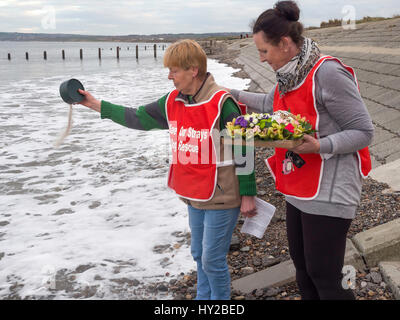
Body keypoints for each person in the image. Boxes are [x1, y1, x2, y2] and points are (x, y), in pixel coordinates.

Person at [75, 39, 257, 300]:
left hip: (223, 194)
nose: (169, 76)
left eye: (174, 70)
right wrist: (96, 105)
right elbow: (137, 117)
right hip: (194, 194)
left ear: (193, 70)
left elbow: (245, 147)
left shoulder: (222, 103)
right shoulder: (173, 101)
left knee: (212, 260)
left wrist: (249, 193)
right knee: (198, 254)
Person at [230, 1, 374, 300]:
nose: (261, 58)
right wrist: (227, 93)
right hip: (300, 184)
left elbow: (364, 131)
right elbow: (269, 104)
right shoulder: (289, 75)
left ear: (284, 43)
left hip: (332, 187)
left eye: (264, 51)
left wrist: (320, 145)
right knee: (303, 271)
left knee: (325, 275)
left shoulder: (328, 73)